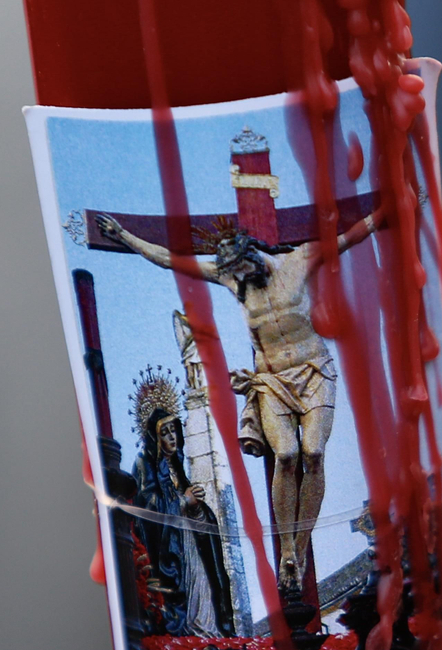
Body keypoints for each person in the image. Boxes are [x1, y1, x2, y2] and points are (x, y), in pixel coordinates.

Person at [98, 208, 380, 609]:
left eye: (244, 271)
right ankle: (286, 553)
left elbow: (348, 237)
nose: (240, 281)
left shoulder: (298, 260)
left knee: (313, 453)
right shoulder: (233, 278)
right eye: (234, 276)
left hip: (313, 370)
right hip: (271, 380)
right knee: (286, 455)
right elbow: (171, 260)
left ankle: (298, 552)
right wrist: (125, 236)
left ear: (254, 255)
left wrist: (388, 210)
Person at [129, 369, 237, 637]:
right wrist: (182, 502)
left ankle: (208, 633)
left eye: (174, 431)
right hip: (169, 550)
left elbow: (197, 518)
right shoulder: (143, 464)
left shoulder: (178, 469)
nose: (172, 437)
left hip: (189, 545)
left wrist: (197, 509)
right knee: (188, 597)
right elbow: (147, 507)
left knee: (205, 585)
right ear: (155, 438)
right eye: (165, 433)